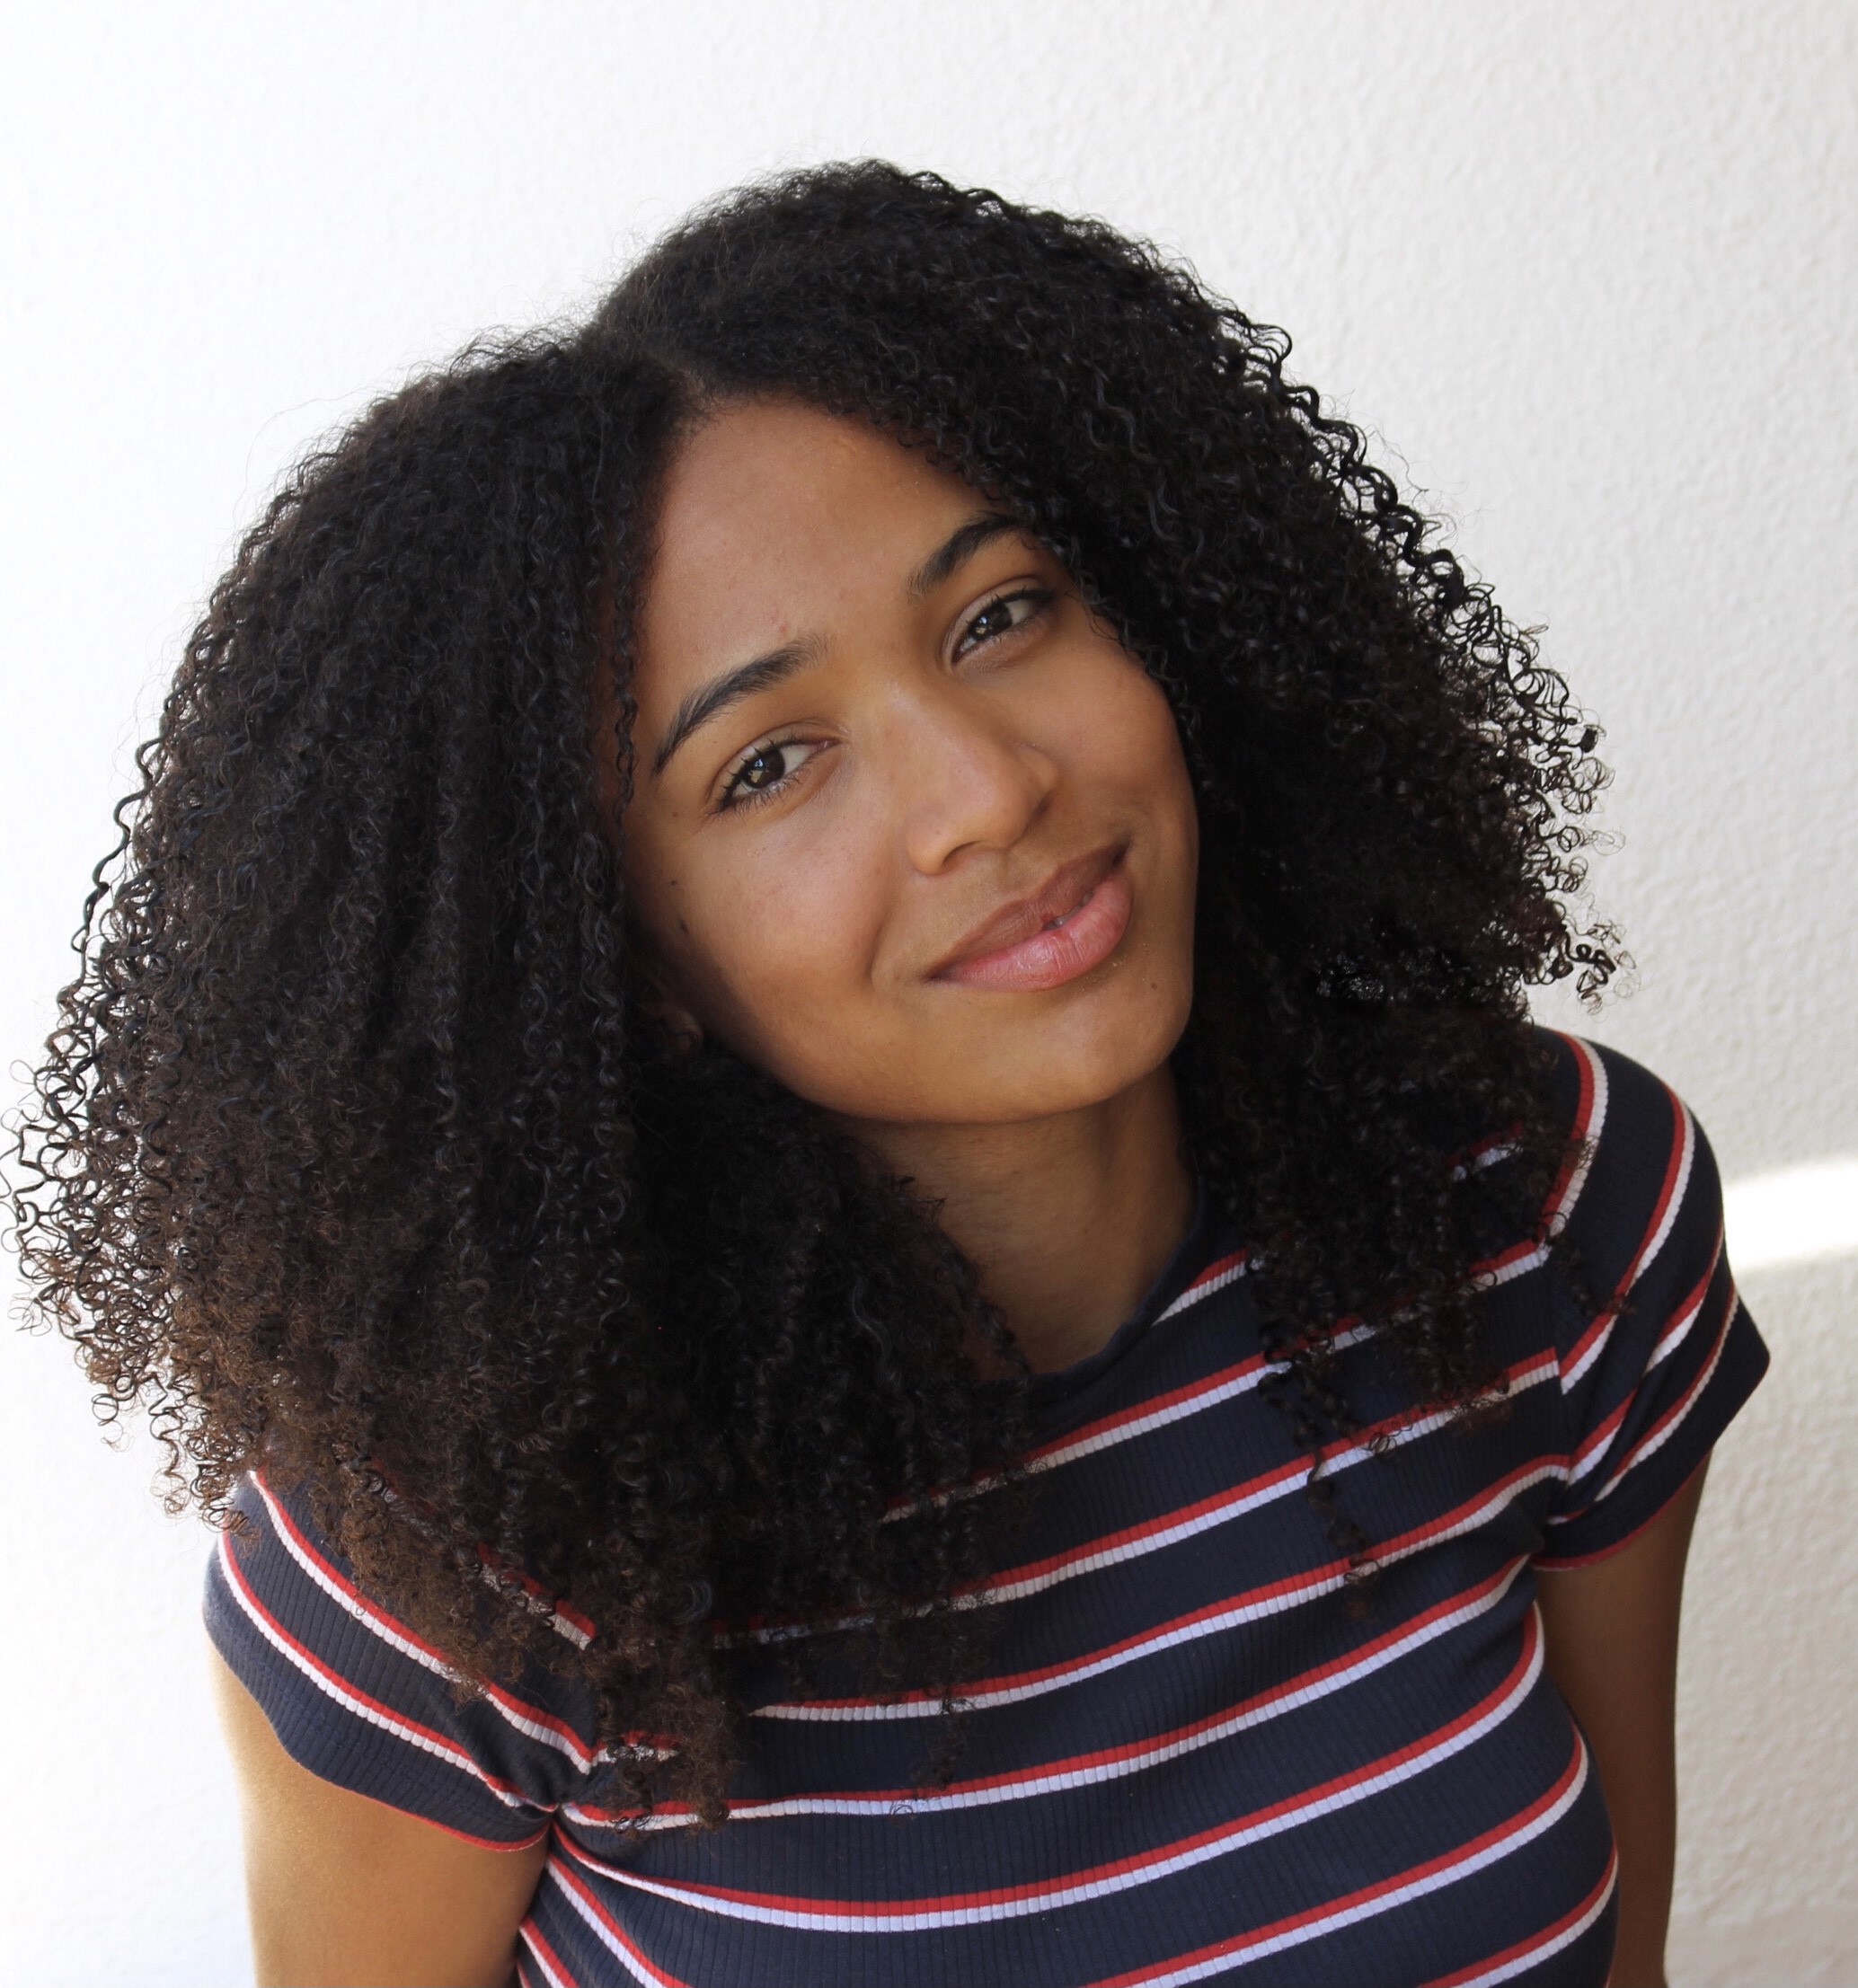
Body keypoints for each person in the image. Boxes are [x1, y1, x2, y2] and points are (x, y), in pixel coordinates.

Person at [12, 163, 1767, 1988]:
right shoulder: (471, 1540)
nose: (986, 792)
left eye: (999, 616)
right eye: (767, 764)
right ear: (619, 964)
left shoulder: (1543, 1213)